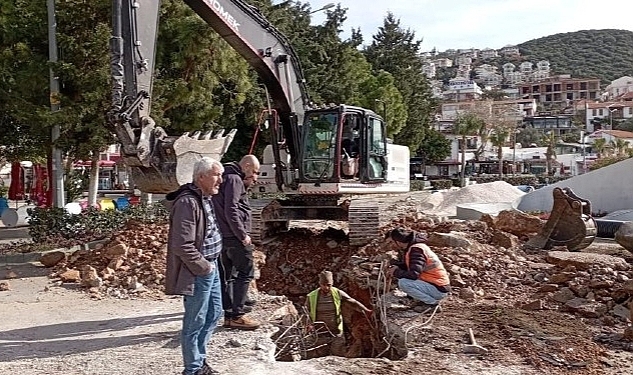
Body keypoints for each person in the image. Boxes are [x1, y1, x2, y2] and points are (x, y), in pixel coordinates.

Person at [165, 157, 225, 375]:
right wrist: (204, 267)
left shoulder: (205, 197)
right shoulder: (187, 202)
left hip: (212, 266)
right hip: (200, 270)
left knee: (214, 313)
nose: (221, 179)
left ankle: (200, 361)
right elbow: (182, 245)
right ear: (201, 177)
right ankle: (192, 369)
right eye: (216, 175)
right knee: (195, 320)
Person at [212, 154, 261, 330]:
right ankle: (237, 315)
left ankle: (230, 314)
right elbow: (231, 209)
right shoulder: (234, 179)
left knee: (229, 276)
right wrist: (242, 235)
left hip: (223, 236)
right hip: (233, 237)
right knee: (245, 273)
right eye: (254, 172)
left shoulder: (225, 177)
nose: (255, 177)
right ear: (246, 165)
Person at [304, 270, 372, 358]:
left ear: (332, 284)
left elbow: (353, 302)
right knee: (318, 357)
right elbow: (306, 312)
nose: (326, 288)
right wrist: (308, 324)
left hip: (336, 332)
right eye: (324, 285)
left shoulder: (337, 293)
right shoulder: (311, 296)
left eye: (329, 285)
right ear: (319, 284)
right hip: (319, 334)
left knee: (338, 356)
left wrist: (367, 311)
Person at [387, 227, 451, 313]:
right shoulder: (414, 247)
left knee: (404, 283)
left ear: (398, 241)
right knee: (402, 277)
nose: (392, 245)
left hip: (438, 289)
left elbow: (413, 274)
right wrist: (396, 265)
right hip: (435, 285)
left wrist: (396, 272)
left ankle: (431, 304)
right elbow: (413, 266)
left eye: (391, 242)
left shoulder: (416, 250)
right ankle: (421, 299)